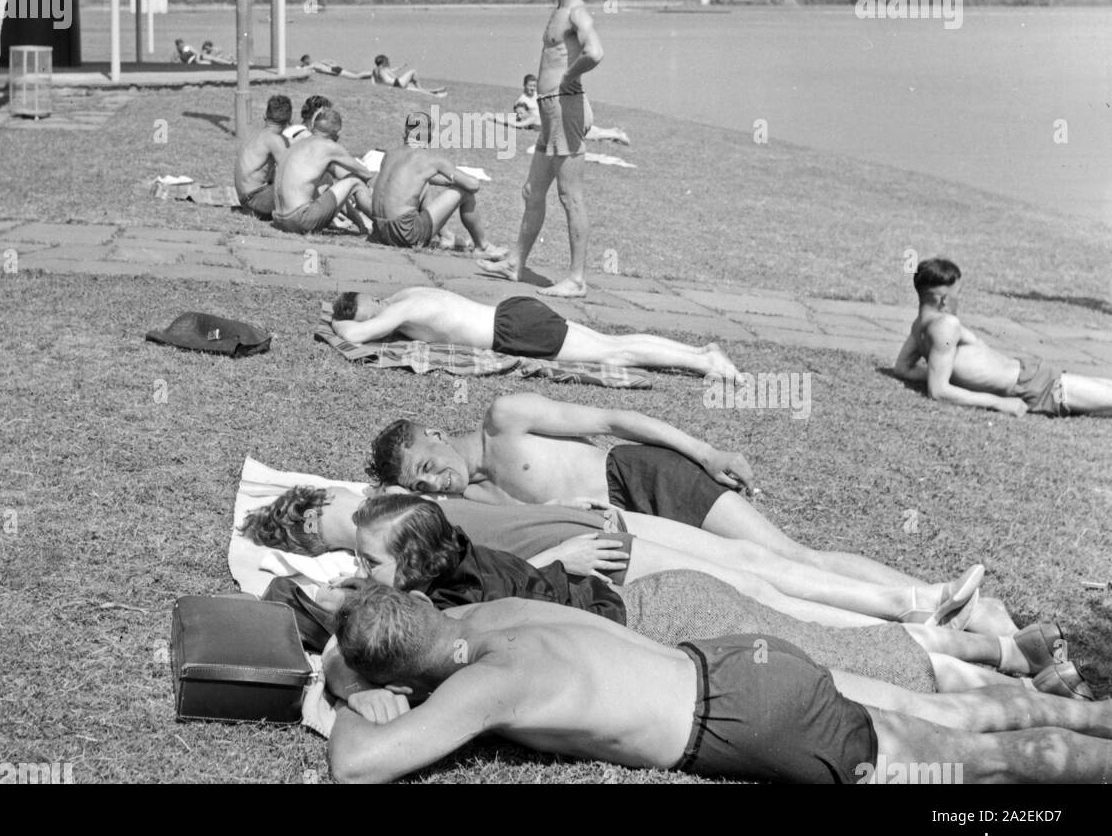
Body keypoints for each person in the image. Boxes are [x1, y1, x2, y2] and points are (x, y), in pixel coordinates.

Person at [244, 486, 1084, 693]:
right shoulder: (449, 567)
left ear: (418, 569)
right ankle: (1011, 653)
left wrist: (320, 610)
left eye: (371, 566)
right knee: (827, 644)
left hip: (655, 609)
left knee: (831, 653)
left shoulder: (445, 606)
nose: (361, 576)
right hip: (644, 602)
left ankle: (1010, 659)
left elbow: (371, 654)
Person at [326, 586, 1112, 785]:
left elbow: (360, 767)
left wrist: (342, 703)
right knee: (954, 717)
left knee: (989, 767)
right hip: (736, 660)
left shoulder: (488, 686)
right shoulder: (493, 617)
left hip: (748, 715)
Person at [365, 395, 1018, 634]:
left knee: (789, 557)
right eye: (418, 484)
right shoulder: (471, 503)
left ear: (433, 433)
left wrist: (705, 451)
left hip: (643, 476)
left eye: (426, 463)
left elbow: (613, 419)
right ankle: (914, 618)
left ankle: (926, 598)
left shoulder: (503, 418)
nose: (432, 480)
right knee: (753, 581)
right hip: (627, 528)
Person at [479, 0, 604, 297]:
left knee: (570, 196)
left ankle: (577, 279)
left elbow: (594, 52)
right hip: (549, 110)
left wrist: (570, 77)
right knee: (532, 191)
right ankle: (516, 263)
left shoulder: (577, 13)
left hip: (565, 107)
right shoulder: (559, 11)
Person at [331, 285, 741, 380]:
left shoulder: (401, 308)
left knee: (614, 354)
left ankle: (704, 362)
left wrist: (338, 323)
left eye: (373, 310)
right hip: (514, 313)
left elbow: (356, 337)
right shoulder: (407, 293)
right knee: (612, 345)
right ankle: (701, 353)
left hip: (514, 330)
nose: (377, 314)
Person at [894, 257, 1112, 417]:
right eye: (957, 294)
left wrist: (950, 376)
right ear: (943, 300)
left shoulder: (919, 326)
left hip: (1032, 376)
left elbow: (903, 368)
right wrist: (998, 402)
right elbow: (938, 391)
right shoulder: (946, 326)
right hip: (1036, 387)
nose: (959, 300)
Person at [363, 117, 506, 255]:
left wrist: (446, 180)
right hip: (405, 234)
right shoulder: (429, 158)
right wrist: (456, 180)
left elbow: (410, 180)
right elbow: (473, 185)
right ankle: (482, 246)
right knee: (464, 192)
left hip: (379, 231)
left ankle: (446, 236)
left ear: (404, 134)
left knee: (423, 185)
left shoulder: (389, 154)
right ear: (429, 137)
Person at [272, 106, 375, 236]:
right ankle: (382, 224)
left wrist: (359, 223)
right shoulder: (329, 147)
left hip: (279, 219)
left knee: (329, 182)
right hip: (299, 220)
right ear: (337, 134)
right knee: (355, 181)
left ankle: (362, 225)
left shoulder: (298, 144)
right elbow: (365, 173)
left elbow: (338, 188)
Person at [512, 71, 629, 144]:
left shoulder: (538, 95)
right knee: (585, 132)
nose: (532, 88)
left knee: (587, 130)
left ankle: (614, 133)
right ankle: (614, 134)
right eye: (530, 86)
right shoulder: (522, 101)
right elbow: (521, 117)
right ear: (524, 85)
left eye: (534, 86)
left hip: (557, 119)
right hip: (552, 124)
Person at [233, 94, 293, 218]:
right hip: (255, 201)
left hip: (245, 198)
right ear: (289, 121)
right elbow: (291, 174)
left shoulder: (256, 135)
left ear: (264, 116)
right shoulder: (274, 140)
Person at [371, 55, 446, 96]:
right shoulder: (385, 68)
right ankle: (422, 89)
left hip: (392, 86)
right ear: (384, 62)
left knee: (413, 88)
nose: (388, 62)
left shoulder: (374, 70)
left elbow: (374, 82)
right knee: (413, 71)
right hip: (396, 83)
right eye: (387, 61)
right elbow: (394, 77)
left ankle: (433, 93)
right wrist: (406, 80)